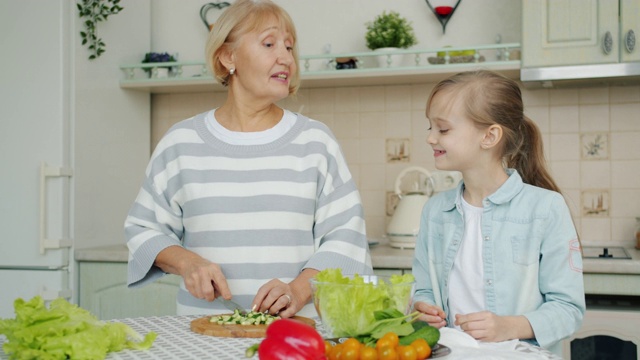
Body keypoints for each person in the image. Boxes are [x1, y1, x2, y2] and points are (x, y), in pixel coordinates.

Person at [124, 0, 372, 318]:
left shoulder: (316, 142)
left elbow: (346, 237)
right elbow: (144, 229)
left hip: (292, 335)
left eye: (289, 47)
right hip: (203, 333)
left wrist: (297, 292)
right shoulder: (181, 142)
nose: (286, 58)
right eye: (269, 44)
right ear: (228, 57)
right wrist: (188, 263)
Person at [412, 70, 585, 353]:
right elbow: (423, 289)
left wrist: (509, 326)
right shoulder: (435, 211)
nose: (431, 138)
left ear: (490, 136)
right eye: (429, 128)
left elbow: (568, 310)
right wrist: (423, 308)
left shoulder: (546, 208)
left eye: (442, 129)